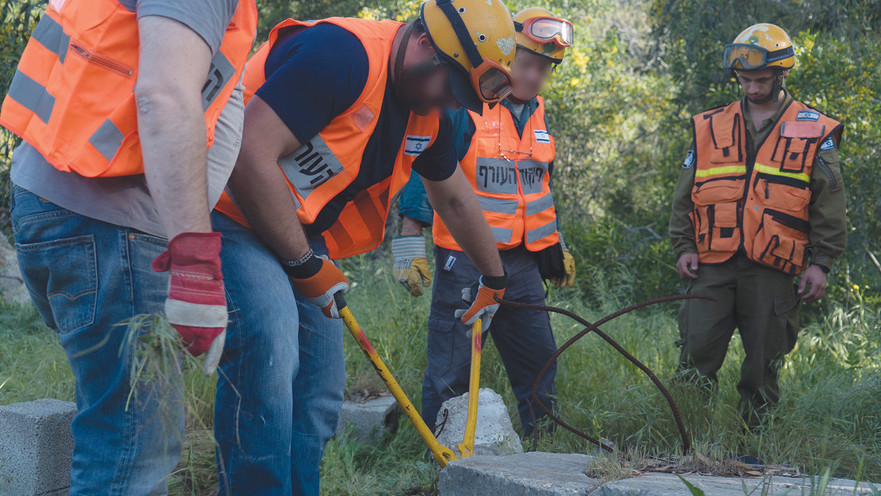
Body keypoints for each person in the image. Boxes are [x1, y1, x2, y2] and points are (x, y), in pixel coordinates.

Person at [209, 0, 518, 493]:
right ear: (424, 45)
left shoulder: (431, 112)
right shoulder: (341, 57)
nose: (449, 103)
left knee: (320, 388)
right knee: (270, 354)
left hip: (296, 232)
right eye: (449, 87)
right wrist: (302, 262)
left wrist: (494, 277)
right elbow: (246, 154)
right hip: (228, 209)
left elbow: (454, 199)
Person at [0, 0, 257, 493]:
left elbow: (219, 103)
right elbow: (165, 96)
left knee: (116, 422)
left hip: (53, 202)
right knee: (131, 448)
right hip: (111, 224)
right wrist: (195, 262)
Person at [393, 7, 576, 436]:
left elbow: (537, 188)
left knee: (539, 364)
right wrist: (408, 246)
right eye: (527, 64)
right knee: (451, 369)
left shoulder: (539, 113)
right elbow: (426, 171)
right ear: (507, 57)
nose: (533, 77)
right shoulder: (468, 104)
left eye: (544, 69)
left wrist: (555, 245)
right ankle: (442, 457)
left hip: (523, 265)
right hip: (465, 260)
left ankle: (544, 453)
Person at [669, 23, 846, 427]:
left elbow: (830, 203)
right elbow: (684, 195)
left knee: (763, 365)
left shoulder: (814, 130)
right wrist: (684, 247)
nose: (751, 88)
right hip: (711, 263)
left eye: (761, 80)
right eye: (744, 79)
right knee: (695, 353)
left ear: (782, 74)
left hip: (772, 267)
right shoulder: (711, 125)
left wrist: (821, 263)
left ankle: (754, 444)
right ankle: (684, 439)